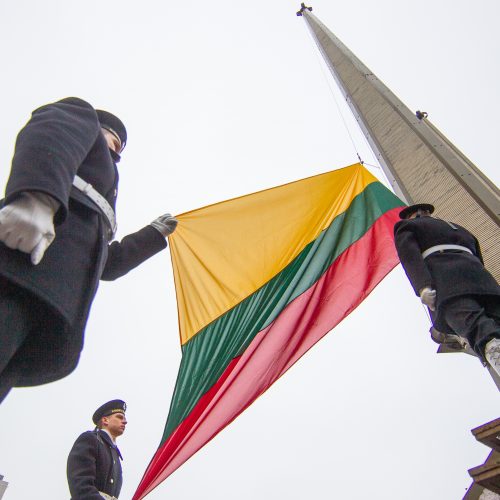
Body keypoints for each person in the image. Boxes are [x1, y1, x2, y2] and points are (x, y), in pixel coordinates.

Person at [0, 97, 177, 402]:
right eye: (115, 139)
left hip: (53, 307)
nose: (118, 148)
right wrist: (38, 198)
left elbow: (104, 264)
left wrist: (154, 234)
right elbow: (54, 129)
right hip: (19, 275)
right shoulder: (83, 120)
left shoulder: (105, 193)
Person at [394, 203, 500, 376]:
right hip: (482, 281)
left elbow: (410, 255)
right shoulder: (460, 228)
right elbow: (478, 257)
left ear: (412, 215)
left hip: (448, 283)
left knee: (475, 325)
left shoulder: (407, 226)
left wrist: (423, 286)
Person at [67, 399, 127, 499]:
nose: (125, 421)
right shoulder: (90, 439)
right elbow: (81, 485)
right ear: (105, 420)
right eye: (119, 417)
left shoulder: (115, 454)